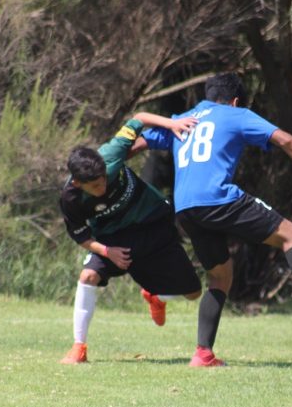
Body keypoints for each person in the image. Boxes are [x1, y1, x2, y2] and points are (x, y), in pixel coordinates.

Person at [136, 72, 292, 367]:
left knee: (220, 275)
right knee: (290, 233)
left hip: (185, 208)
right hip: (217, 197)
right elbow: (285, 139)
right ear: (234, 101)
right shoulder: (235, 114)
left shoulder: (182, 119)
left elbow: (136, 144)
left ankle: (203, 354)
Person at [58, 112, 202, 364]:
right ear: (79, 184)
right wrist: (106, 251)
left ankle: (155, 296)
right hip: (114, 239)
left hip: (155, 223)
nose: (102, 188)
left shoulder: (111, 154)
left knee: (193, 292)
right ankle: (78, 347)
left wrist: (172, 124)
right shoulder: (70, 200)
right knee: (88, 276)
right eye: (94, 187)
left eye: (103, 180)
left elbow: (139, 118)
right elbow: (80, 236)